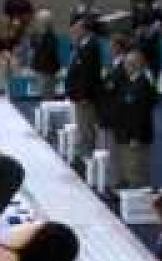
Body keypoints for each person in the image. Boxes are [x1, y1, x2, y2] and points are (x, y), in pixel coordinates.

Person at [111, 50, 157, 189]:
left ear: (136, 65)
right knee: (126, 169)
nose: (125, 67)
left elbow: (140, 114)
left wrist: (136, 136)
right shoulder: (128, 82)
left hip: (135, 136)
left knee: (136, 171)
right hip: (124, 133)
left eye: (128, 64)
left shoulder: (142, 85)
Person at [64, 17, 102, 170]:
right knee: (81, 125)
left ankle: (87, 157)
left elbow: (89, 74)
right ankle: (83, 154)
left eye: (77, 29)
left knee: (87, 126)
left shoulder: (91, 47)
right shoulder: (82, 45)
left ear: (85, 29)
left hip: (86, 96)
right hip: (79, 94)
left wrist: (84, 95)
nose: (74, 32)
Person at [97, 33, 132, 179]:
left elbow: (115, 88)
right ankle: (112, 179)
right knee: (109, 149)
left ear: (119, 47)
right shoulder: (112, 64)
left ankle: (116, 180)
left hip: (115, 114)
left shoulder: (124, 66)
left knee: (115, 150)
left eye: (112, 46)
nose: (109, 49)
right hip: (107, 111)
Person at [130, 0, 162, 83]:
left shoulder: (159, 12)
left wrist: (159, 30)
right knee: (139, 71)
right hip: (142, 46)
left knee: (154, 72)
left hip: (153, 46)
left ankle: (152, 87)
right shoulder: (137, 11)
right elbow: (133, 28)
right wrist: (139, 32)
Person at [27, 9, 60, 100]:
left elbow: (47, 54)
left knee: (47, 95)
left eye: (39, 20)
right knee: (41, 94)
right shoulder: (37, 35)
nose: (37, 22)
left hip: (47, 71)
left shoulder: (51, 37)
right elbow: (32, 46)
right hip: (39, 69)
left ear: (45, 22)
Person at [0, 16, 22, 95]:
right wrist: (1, 54)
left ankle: (16, 86)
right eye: (2, 23)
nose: (4, 25)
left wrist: (11, 54)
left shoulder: (14, 34)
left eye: (7, 23)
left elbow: (17, 47)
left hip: (11, 55)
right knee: (1, 65)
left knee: (15, 64)